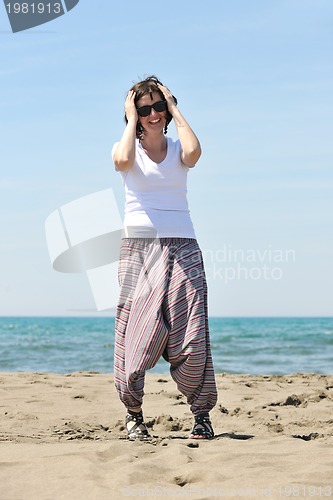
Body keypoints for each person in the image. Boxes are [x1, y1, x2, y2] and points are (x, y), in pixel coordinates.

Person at [112, 75, 217, 440]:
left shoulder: (177, 148)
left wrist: (175, 107)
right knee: (137, 335)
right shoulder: (127, 147)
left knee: (192, 334)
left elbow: (195, 153)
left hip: (183, 244)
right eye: (145, 109)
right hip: (139, 249)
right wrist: (129, 119)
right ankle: (134, 414)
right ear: (135, 114)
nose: (153, 114)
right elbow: (123, 161)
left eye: (159, 106)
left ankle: (201, 415)